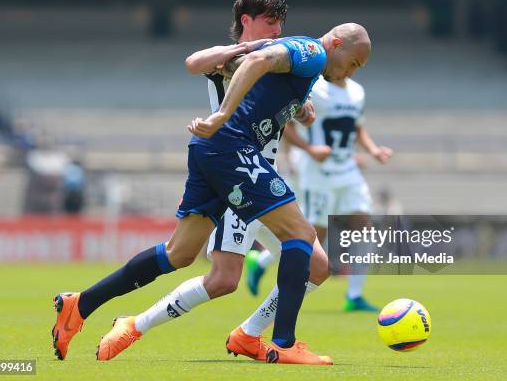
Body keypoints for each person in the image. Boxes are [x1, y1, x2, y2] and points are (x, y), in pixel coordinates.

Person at [52, 22, 371, 365]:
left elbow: (255, 63)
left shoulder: (302, 62)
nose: (348, 73)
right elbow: (256, 62)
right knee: (301, 235)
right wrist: (222, 114)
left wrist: (296, 107)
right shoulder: (312, 53)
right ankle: (283, 342)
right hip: (233, 148)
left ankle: (80, 304)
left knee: (180, 252)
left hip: (209, 149)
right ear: (336, 44)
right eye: (353, 63)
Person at [105, 0, 329, 362]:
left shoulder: (275, 61)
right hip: (234, 177)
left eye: (280, 24)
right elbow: (194, 61)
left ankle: (247, 334)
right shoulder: (232, 60)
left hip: (262, 176)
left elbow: (272, 115)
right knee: (222, 278)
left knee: (316, 265)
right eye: (270, 23)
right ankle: (135, 325)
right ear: (246, 21)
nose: (277, 31)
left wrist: (299, 110)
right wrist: (241, 52)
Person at [245, 76, 393, 312]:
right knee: (312, 236)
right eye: (356, 59)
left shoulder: (357, 91)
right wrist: (307, 150)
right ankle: (264, 267)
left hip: (347, 172)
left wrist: (374, 151)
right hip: (316, 173)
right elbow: (287, 125)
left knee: (364, 228)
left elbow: (356, 127)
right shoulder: (314, 88)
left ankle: (354, 296)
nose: (358, 65)